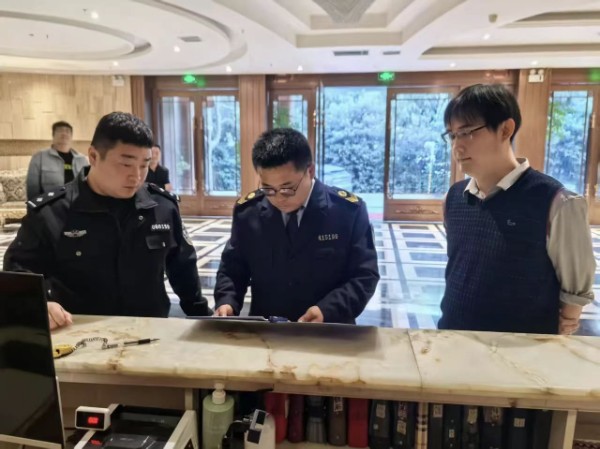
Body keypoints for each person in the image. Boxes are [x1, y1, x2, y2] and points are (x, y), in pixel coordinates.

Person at [4, 112, 211, 330]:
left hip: (150, 333)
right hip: (78, 335)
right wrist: (40, 304)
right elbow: (17, 271)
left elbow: (183, 268)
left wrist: (206, 321)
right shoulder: (52, 212)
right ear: (93, 156)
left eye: (144, 165)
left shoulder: (162, 207)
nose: (136, 176)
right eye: (126, 164)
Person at [438, 83, 595, 335]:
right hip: (453, 335)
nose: (457, 146)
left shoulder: (556, 201)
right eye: (452, 135)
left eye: (466, 132)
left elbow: (575, 288)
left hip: (521, 346)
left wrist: (565, 323)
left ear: (506, 129)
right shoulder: (453, 197)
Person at [214, 128, 379, 324]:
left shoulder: (347, 212)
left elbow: (364, 275)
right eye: (268, 189)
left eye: (287, 188)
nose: (278, 198)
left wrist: (328, 309)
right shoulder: (248, 212)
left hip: (330, 329)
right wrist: (227, 301)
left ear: (310, 171)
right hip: (268, 331)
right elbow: (233, 268)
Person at [26, 121, 89, 200]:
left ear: (71, 137)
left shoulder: (82, 159)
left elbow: (88, 186)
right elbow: (32, 190)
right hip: (50, 205)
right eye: (60, 131)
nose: (64, 134)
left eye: (67, 131)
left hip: (77, 204)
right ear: (53, 135)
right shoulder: (39, 157)